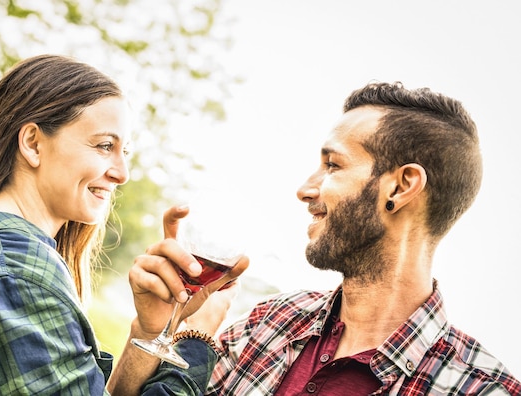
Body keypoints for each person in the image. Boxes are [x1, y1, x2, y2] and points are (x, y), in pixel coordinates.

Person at [134, 82, 521, 395]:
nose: (305, 189)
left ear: (402, 187)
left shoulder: (483, 389)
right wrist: (153, 330)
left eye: (332, 165)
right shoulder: (266, 325)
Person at [0, 54, 247, 395]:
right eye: (104, 145)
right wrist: (198, 336)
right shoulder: (16, 275)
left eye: (125, 152)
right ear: (33, 143)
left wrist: (150, 329)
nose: (122, 173)